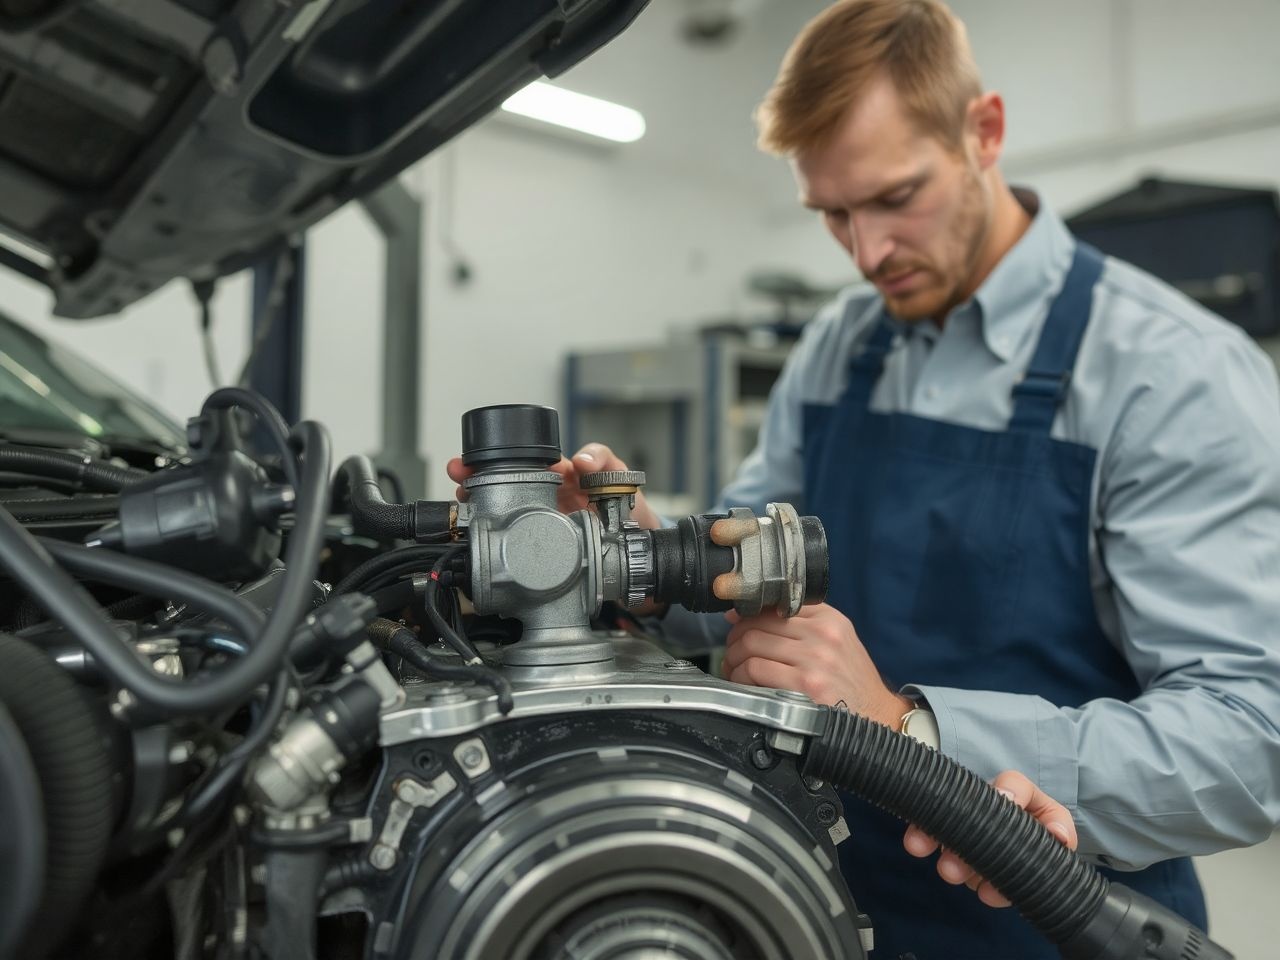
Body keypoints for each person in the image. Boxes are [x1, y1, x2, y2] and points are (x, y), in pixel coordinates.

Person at [451, 1, 1280, 955]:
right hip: (832, 908)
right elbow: (744, 588)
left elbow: (1246, 744)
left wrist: (911, 733)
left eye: (895, 198)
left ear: (985, 133)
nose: (867, 251)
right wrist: (636, 550)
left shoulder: (1166, 372)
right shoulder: (841, 347)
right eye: (834, 214)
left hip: (1048, 926)